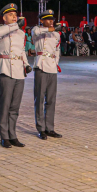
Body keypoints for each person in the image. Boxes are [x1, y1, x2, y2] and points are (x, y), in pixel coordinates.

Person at [0, 3, 31, 148]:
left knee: (15, 106)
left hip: (18, 71)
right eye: (11, 14)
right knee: (5, 104)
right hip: (5, 70)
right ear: (4, 17)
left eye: (15, 14)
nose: (14, 16)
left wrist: (26, 64)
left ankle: (12, 134)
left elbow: (21, 51)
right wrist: (16, 25)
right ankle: (4, 136)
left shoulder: (21, 34)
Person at [30, 10, 62, 140]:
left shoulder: (56, 34)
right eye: (48, 19)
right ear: (41, 20)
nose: (51, 21)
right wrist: (50, 28)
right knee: (40, 99)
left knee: (51, 100)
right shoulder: (37, 30)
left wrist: (56, 62)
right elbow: (36, 32)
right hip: (41, 66)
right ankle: (41, 128)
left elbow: (57, 50)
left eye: (52, 20)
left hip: (52, 67)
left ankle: (50, 128)